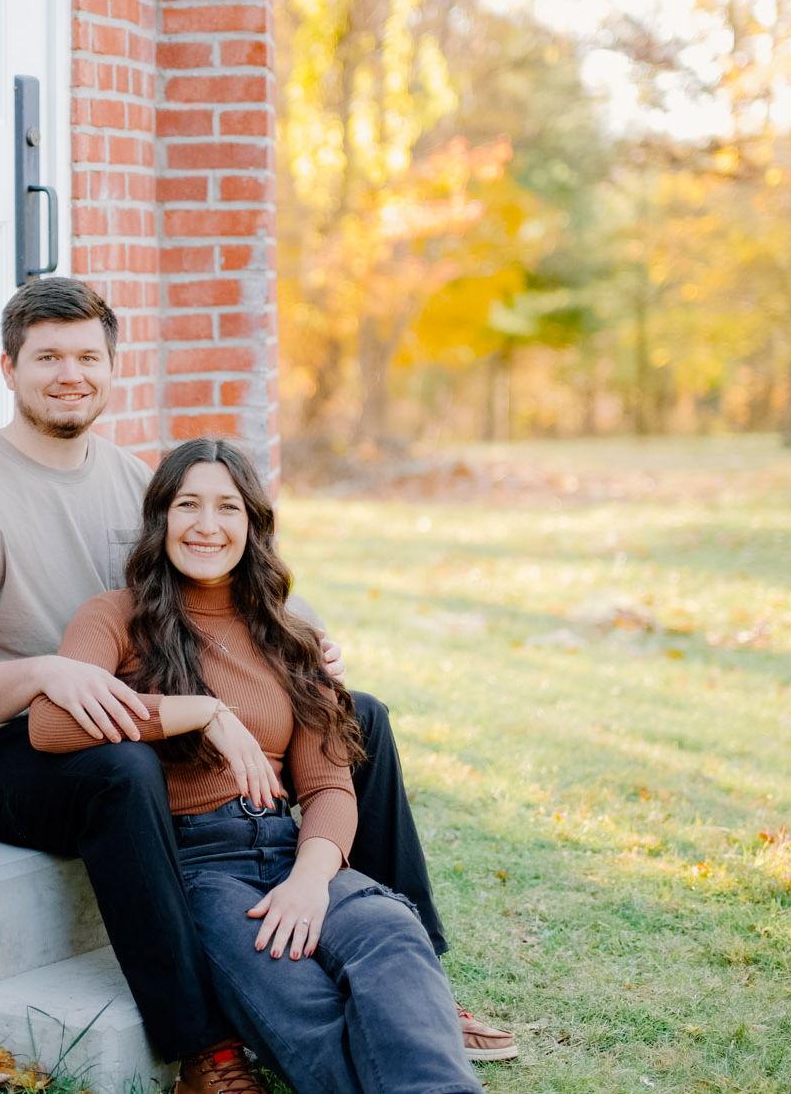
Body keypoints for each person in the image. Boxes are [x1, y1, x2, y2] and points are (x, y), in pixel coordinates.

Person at [0, 278, 516, 1092]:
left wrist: (306, 646)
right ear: (9, 368)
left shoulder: (132, 479)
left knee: (356, 714)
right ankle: (202, 1046)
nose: (70, 374)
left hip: (123, 695)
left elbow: (223, 567)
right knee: (123, 770)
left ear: (112, 367)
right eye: (47, 358)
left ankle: (417, 969)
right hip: (8, 741)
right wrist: (55, 672)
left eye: (87, 357)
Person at [30, 438, 484, 1094]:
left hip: (292, 850)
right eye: (188, 505)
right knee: (300, 999)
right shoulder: (114, 617)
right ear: (161, 518)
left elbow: (328, 786)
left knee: (393, 936)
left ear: (253, 525)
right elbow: (50, 725)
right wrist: (199, 713)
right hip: (203, 873)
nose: (206, 525)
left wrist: (309, 881)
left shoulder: (286, 632)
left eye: (228, 508)